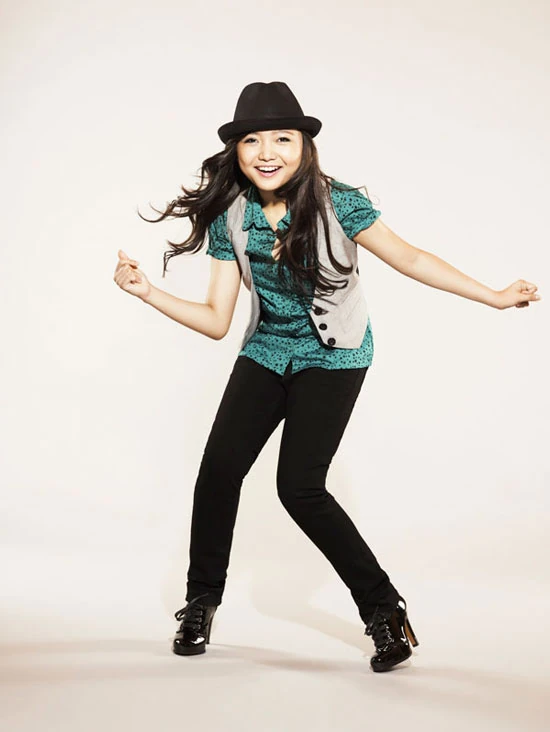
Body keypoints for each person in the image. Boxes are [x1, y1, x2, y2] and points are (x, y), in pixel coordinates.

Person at [113, 81, 541, 673]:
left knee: (300, 488)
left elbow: (410, 257)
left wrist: (492, 295)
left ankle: (384, 610)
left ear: (304, 146)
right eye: (252, 141)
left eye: (282, 139)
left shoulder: (339, 203)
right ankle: (201, 603)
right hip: (268, 351)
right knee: (218, 474)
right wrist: (147, 293)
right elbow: (216, 321)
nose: (267, 152)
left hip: (334, 355)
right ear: (237, 150)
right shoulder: (231, 216)